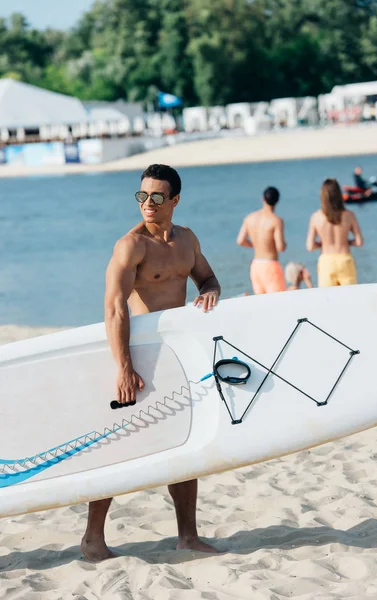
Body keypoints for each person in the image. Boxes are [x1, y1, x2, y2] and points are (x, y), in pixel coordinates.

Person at [80, 164, 221, 562]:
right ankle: (92, 538)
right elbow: (114, 308)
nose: (148, 204)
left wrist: (209, 293)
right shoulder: (131, 245)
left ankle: (188, 537)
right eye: (142, 196)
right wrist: (123, 367)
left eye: (157, 197)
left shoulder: (187, 241)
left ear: (175, 200)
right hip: (135, 356)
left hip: (175, 355)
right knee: (114, 445)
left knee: (184, 441)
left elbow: (208, 278)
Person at [306, 178, 364, 287]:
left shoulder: (316, 217)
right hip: (344, 259)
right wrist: (347, 242)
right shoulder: (349, 215)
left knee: (328, 300)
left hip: (326, 261)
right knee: (350, 298)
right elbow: (359, 242)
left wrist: (322, 243)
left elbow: (310, 246)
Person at [236, 186, 287, 294]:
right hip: (270, 265)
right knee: (279, 302)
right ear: (277, 201)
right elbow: (280, 247)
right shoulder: (276, 220)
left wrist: (256, 244)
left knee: (262, 303)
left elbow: (240, 241)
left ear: (263, 199)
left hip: (256, 265)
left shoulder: (249, 218)